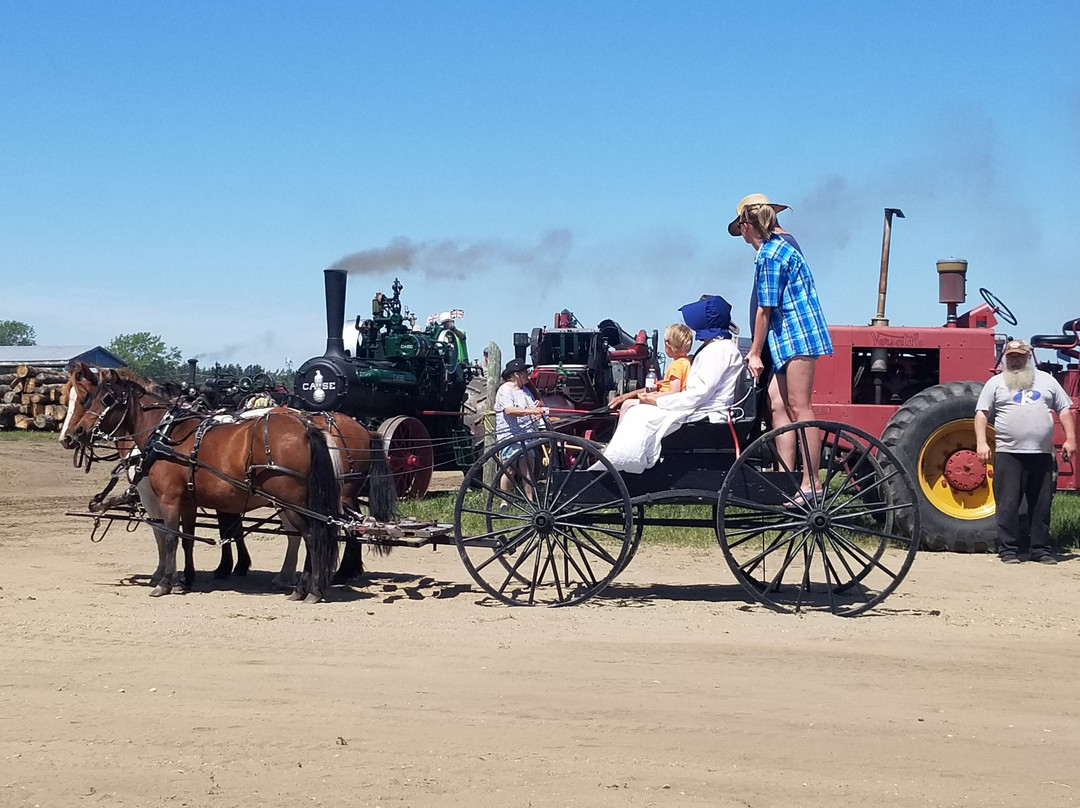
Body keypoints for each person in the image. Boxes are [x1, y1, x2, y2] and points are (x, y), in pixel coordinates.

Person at [735, 194, 832, 504]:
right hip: (783, 340)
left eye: (741, 230)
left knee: (800, 406)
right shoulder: (772, 249)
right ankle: (784, 477)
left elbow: (765, 308)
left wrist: (754, 352)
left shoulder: (772, 253)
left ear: (747, 226)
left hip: (797, 335)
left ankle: (812, 482)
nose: (742, 237)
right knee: (777, 404)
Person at [600, 295, 745, 474]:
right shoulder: (718, 348)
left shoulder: (717, 351)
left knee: (637, 413)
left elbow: (697, 395)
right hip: (700, 409)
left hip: (704, 413)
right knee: (637, 411)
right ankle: (624, 459)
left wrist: (657, 401)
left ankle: (624, 464)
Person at [974, 339, 1076, 564]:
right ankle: (1008, 550)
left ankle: (1040, 550)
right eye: (1011, 356)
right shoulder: (995, 383)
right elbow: (981, 413)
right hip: (1008, 453)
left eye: (1020, 356)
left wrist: (1070, 439)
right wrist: (981, 443)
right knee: (1008, 504)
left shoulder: (1046, 381)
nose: (1015, 359)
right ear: (1005, 358)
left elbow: (1065, 409)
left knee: (1041, 504)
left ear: (1028, 357)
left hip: (1041, 454)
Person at [608, 323, 693, 418]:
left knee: (627, 404)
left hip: (666, 402)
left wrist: (652, 397)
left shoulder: (676, 365)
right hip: (669, 400)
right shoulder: (686, 362)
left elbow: (674, 392)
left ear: (667, 345)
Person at [494, 358, 546, 503]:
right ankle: (504, 501)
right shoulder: (505, 389)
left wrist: (537, 406)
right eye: (525, 372)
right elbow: (509, 410)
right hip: (510, 435)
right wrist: (530, 410)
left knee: (528, 469)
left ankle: (530, 500)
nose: (528, 375)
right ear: (516, 374)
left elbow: (533, 410)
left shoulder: (525, 391)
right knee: (510, 468)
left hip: (527, 435)